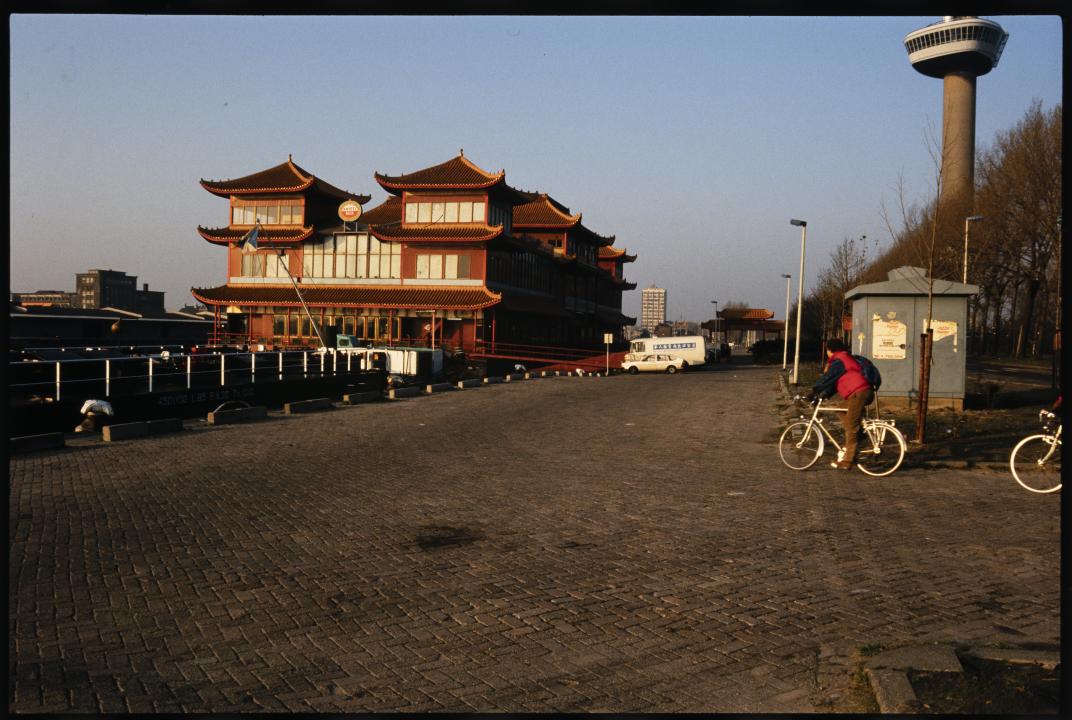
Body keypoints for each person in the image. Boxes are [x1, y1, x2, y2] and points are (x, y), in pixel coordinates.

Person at [810, 339, 875, 470]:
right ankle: (857, 436)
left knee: (852, 426)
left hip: (859, 393)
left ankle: (847, 461)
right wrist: (820, 396)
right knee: (839, 408)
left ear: (830, 350)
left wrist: (814, 390)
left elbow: (827, 379)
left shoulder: (839, 361)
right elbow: (833, 384)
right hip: (860, 392)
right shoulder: (844, 358)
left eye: (827, 350)